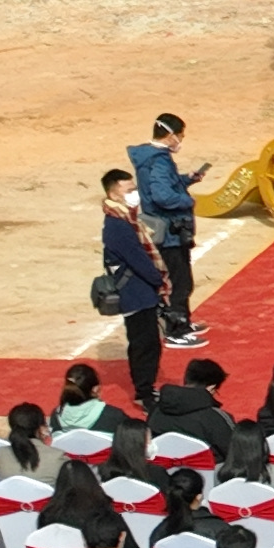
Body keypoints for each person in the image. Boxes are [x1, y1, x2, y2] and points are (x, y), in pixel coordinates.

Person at [94, 164, 171, 389]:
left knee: (149, 342)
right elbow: (138, 259)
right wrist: (159, 280)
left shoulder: (127, 219)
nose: (134, 194)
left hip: (140, 291)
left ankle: (146, 386)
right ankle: (144, 390)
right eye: (128, 190)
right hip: (135, 293)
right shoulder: (117, 225)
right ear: (113, 194)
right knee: (143, 343)